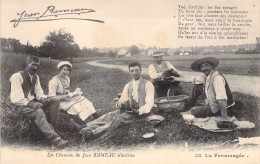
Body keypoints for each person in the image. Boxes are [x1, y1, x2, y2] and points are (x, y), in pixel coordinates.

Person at [80, 61, 155, 140]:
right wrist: (119, 104)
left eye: (137, 70)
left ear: (141, 70)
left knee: (118, 119)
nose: (135, 73)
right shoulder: (128, 85)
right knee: (109, 116)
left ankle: (93, 133)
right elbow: (122, 100)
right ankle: (86, 127)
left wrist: (139, 111)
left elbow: (149, 104)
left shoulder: (148, 84)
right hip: (129, 110)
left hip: (140, 113)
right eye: (132, 71)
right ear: (129, 71)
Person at [9, 56, 69, 149]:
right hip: (19, 105)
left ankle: (55, 130)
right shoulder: (17, 76)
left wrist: (42, 98)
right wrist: (32, 104)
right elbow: (16, 98)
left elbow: (38, 92)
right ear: (27, 64)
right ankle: (55, 140)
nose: (35, 68)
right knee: (39, 112)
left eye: (37, 65)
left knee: (55, 100)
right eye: (33, 65)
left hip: (31, 101)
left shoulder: (35, 77)